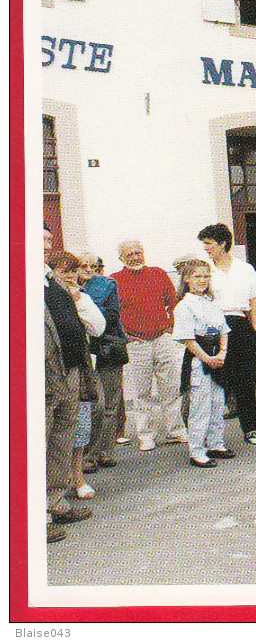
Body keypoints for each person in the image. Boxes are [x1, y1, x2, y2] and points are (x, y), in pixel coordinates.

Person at [43, 226, 102, 541]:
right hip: (40, 375)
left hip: (68, 371)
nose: (44, 244)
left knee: (61, 442)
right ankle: (34, 518)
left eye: (47, 239)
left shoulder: (53, 281)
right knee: (36, 445)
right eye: (37, 238)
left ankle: (55, 503)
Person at [112, 240, 187, 451]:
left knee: (171, 387)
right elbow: (112, 313)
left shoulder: (159, 273)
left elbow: (173, 302)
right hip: (137, 343)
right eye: (130, 255)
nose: (135, 257)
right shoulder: (114, 280)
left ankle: (175, 431)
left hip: (161, 338)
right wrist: (125, 335)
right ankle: (146, 434)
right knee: (142, 391)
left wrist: (171, 325)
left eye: (138, 253)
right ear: (121, 259)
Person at [198, 223, 256, 445]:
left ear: (222, 244)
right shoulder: (205, 270)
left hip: (240, 324)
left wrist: (255, 329)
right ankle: (211, 435)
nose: (206, 248)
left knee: (247, 381)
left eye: (209, 244)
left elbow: (254, 301)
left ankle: (251, 429)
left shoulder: (244, 269)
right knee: (217, 383)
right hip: (214, 328)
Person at [48, 251, 107, 501]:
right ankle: (56, 485)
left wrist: (78, 300)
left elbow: (98, 327)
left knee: (82, 423)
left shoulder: (80, 296)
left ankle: (77, 477)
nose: (69, 276)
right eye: (63, 271)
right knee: (56, 429)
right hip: (54, 371)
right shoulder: (46, 294)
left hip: (79, 369)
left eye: (73, 271)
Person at [171, 260, 235, 468]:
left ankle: (216, 443)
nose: (202, 280)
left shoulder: (211, 302)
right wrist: (207, 358)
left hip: (217, 356)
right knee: (200, 406)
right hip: (199, 359)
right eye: (197, 276)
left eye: (206, 276)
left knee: (218, 402)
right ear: (187, 279)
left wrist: (222, 353)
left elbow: (223, 330)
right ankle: (197, 449)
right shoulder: (184, 306)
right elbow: (188, 339)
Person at [78, 252, 129, 472]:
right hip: (83, 351)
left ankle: (105, 451)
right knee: (90, 406)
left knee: (109, 404)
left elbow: (111, 316)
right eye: (83, 265)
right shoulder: (63, 286)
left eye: (93, 266)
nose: (88, 269)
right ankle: (87, 454)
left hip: (107, 348)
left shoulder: (107, 284)